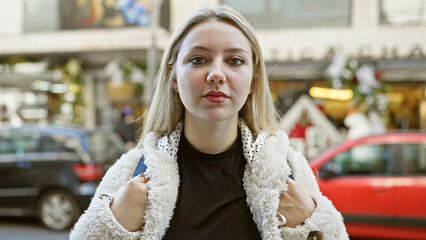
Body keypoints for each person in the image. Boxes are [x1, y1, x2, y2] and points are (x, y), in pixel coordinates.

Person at [70, 5, 348, 240]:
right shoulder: (133, 172)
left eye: (235, 60)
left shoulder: (289, 171)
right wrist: (114, 225)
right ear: (174, 77)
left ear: (252, 80)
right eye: (198, 59)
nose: (216, 74)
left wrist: (313, 224)